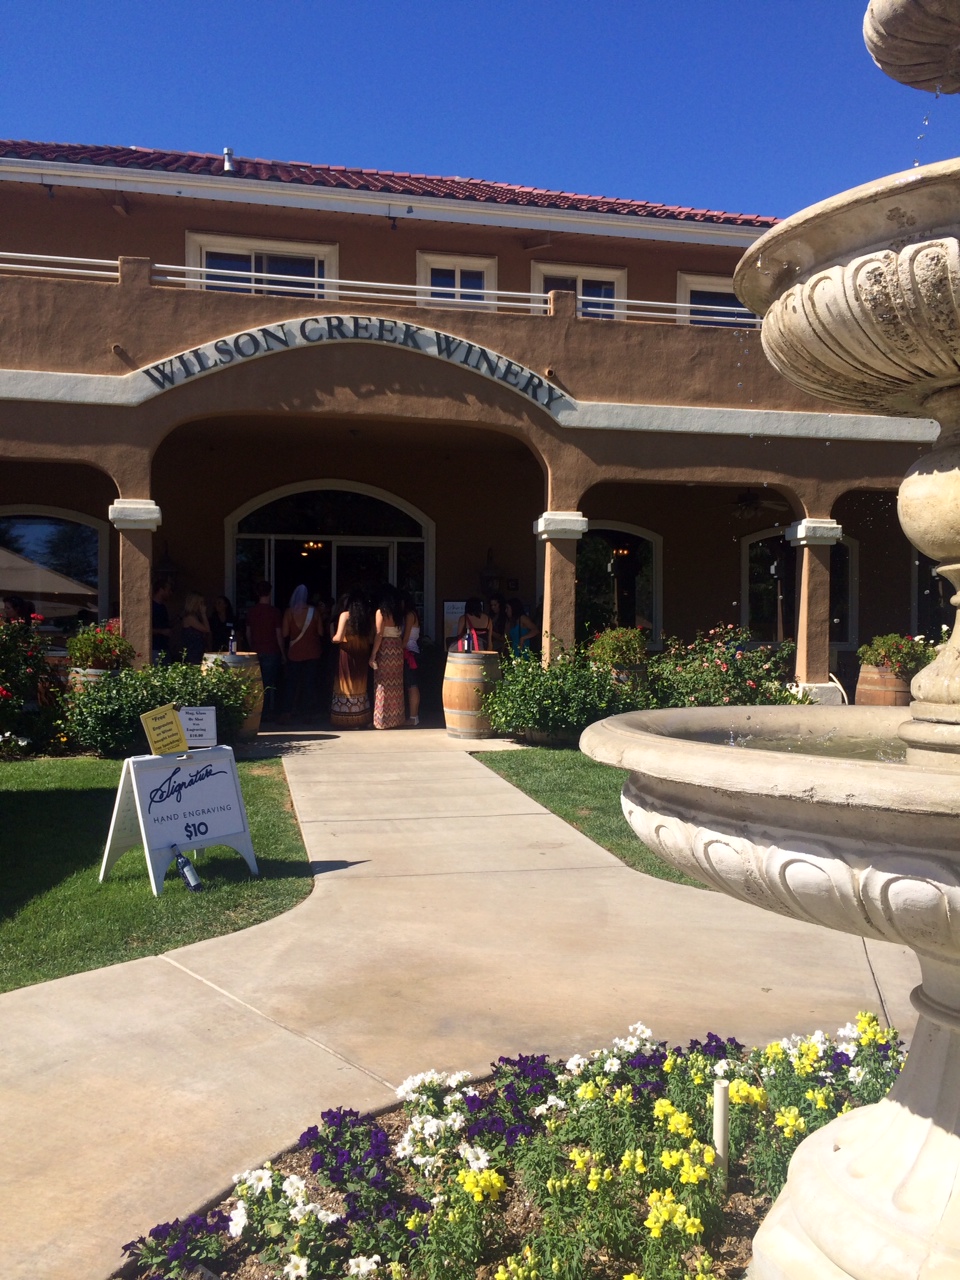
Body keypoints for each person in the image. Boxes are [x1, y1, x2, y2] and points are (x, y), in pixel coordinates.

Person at [330, 589, 374, 729]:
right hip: (362, 653)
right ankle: (361, 717)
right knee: (360, 684)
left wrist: (331, 636)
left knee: (346, 683)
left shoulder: (345, 615)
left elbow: (338, 637)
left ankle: (346, 719)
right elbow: (371, 638)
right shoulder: (366, 618)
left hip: (347, 653)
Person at [282, 584, 324, 721]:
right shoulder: (314, 612)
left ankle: (288, 711)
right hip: (312, 652)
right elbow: (321, 632)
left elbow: (285, 633)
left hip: (295, 653)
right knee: (309, 683)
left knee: (292, 683)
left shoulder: (289, 612)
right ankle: (308, 713)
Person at [245, 580, 284, 719]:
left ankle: (256, 712)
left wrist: (252, 646)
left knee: (256, 684)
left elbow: (248, 633)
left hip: (256, 650)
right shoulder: (275, 612)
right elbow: (279, 635)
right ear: (270, 593)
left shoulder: (251, 612)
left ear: (257, 593)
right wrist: (283, 653)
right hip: (271, 651)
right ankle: (266, 712)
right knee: (268, 684)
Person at [370, 584, 406, 729]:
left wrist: (373, 654)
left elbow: (379, 633)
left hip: (385, 648)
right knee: (396, 684)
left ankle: (382, 720)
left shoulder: (381, 612)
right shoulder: (398, 613)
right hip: (397, 648)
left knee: (382, 683)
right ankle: (396, 718)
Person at [401, 593, 421, 726]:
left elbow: (405, 638)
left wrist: (397, 649)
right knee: (410, 684)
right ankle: (413, 716)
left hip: (410, 653)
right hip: (412, 651)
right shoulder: (413, 614)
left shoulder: (409, 615)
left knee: (412, 685)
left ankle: (414, 717)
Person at [180, 592, 211, 664]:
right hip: (192, 653)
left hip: (198, 651)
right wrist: (203, 614)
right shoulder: (190, 618)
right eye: (201, 602)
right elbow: (207, 629)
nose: (203, 605)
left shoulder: (196, 616)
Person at [151, 576, 173, 663]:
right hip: (155, 649)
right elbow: (146, 629)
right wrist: (161, 631)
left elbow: (165, 625)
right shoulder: (151, 607)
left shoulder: (163, 607)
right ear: (161, 590)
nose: (170, 593)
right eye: (168, 590)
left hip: (165, 647)